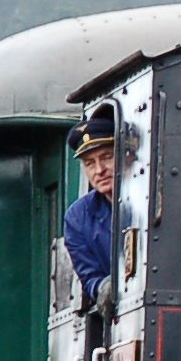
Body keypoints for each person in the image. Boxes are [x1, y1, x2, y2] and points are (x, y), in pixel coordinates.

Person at [63, 108, 119, 306]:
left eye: (106, 157)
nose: (99, 170)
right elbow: (90, 278)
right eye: (89, 163)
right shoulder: (77, 217)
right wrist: (104, 287)